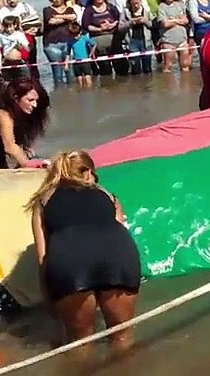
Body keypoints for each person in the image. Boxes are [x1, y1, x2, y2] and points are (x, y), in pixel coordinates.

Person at [28, 150, 140, 354]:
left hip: (71, 260)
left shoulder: (43, 201)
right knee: (122, 338)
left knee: (80, 345)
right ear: (88, 173)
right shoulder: (108, 195)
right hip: (117, 252)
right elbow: (118, 230)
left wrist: (49, 302)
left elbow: (43, 258)